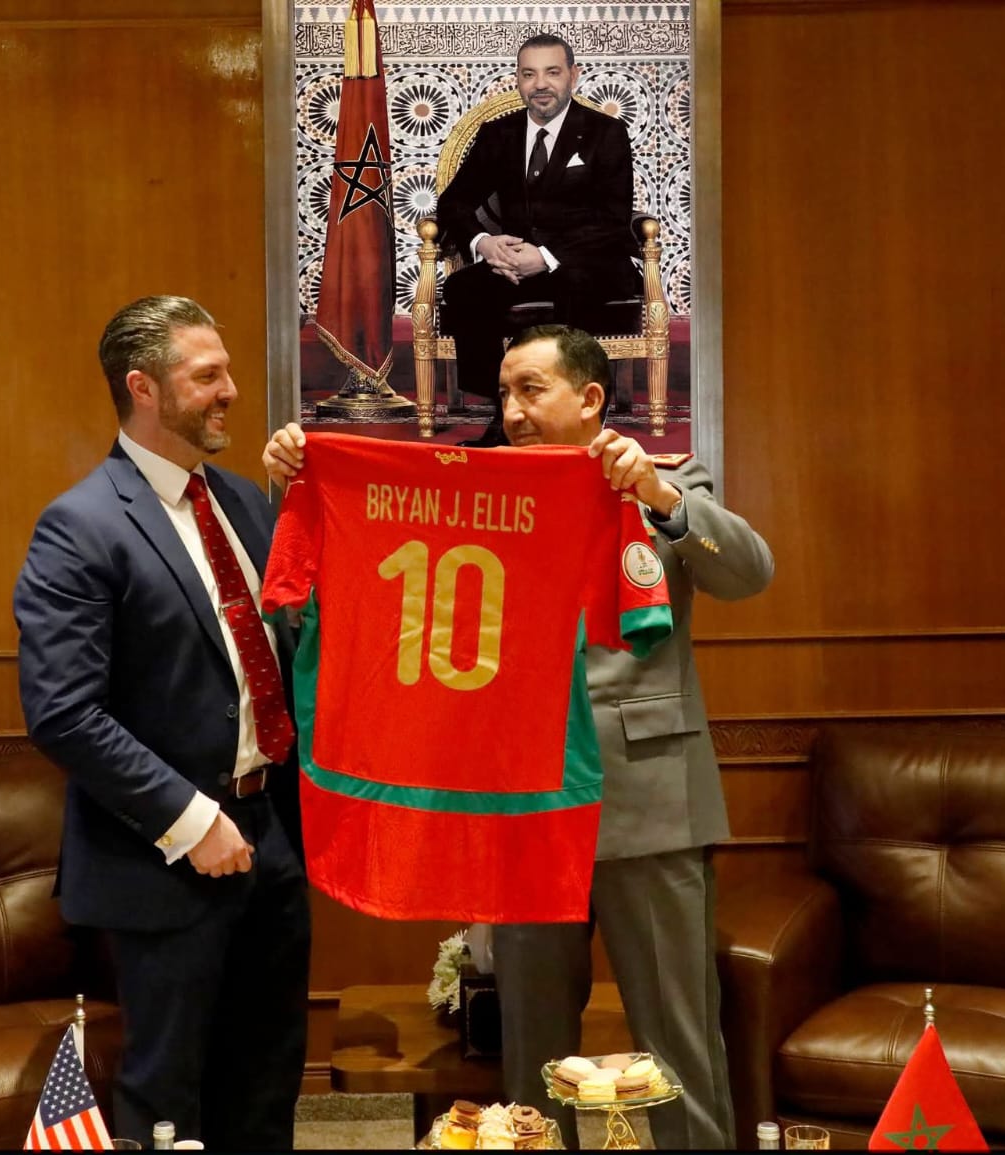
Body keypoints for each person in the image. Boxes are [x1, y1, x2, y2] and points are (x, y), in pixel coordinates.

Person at [262, 325, 773, 1150]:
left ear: (591, 398)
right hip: (525, 804)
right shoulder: (481, 487)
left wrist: (659, 496)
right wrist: (300, 465)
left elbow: (750, 570)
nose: (512, 411)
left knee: (676, 1039)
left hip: (646, 804)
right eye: (504, 393)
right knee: (534, 1046)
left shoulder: (665, 478)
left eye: (531, 389)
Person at [15, 296, 310, 1151]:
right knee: (169, 1102)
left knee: (266, 1087)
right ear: (143, 387)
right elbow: (64, 712)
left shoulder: (245, 504)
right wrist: (190, 819)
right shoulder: (80, 526)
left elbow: (289, 650)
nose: (230, 392)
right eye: (207, 376)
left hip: (274, 840)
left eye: (227, 372)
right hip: (164, 861)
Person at [436, 34, 640, 445]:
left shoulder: (605, 132)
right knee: (464, 288)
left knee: (575, 284)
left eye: (552, 72)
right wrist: (485, 244)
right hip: (513, 264)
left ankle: (574, 419)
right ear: (518, 79)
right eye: (529, 74)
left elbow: (613, 220)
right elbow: (453, 203)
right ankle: (505, 416)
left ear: (573, 76)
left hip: (585, 261)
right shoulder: (499, 134)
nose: (540, 84)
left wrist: (545, 256)